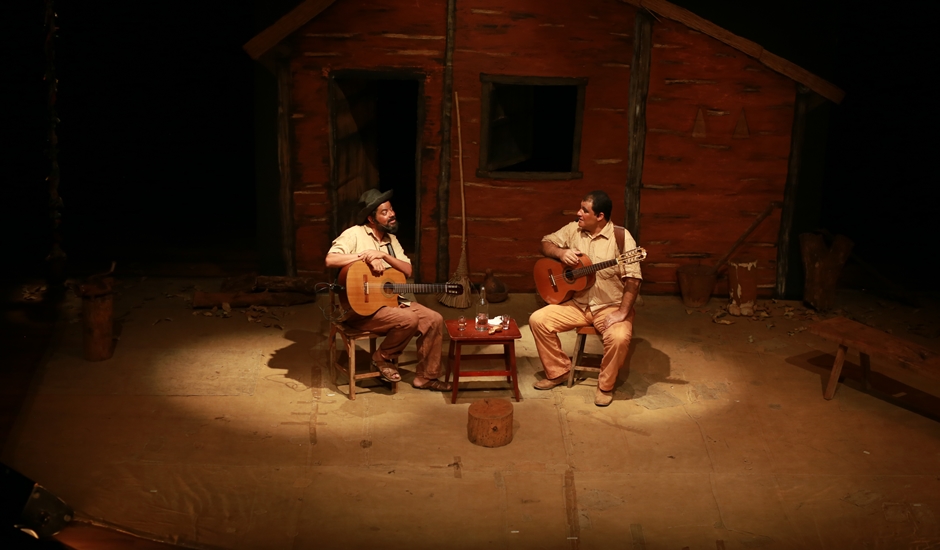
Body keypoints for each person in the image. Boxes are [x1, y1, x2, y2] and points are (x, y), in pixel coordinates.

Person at [325, 189, 452, 391]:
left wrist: (383, 256)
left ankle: (426, 377)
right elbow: (331, 259)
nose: (391, 214)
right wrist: (366, 256)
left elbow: (408, 270)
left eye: (391, 210)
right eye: (384, 212)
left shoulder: (391, 241)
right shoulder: (354, 234)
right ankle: (382, 357)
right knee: (409, 319)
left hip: (392, 303)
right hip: (359, 310)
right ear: (371, 218)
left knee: (434, 319)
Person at [528, 190, 642, 406]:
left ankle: (605, 386)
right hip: (576, 304)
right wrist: (561, 254)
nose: (578, 213)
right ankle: (558, 371)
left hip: (609, 306)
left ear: (600, 216)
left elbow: (633, 281)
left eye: (584, 210)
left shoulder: (621, 237)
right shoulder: (573, 229)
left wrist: (622, 313)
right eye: (580, 208)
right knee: (538, 320)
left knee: (618, 338)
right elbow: (545, 243)